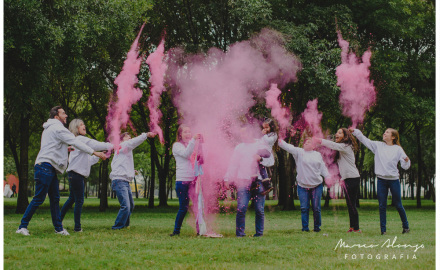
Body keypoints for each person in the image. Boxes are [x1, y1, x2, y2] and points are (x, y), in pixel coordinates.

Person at [16, 106, 107, 236]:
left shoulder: (49, 129)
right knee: (39, 198)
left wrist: (66, 149)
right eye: (63, 113)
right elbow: (75, 142)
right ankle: (22, 227)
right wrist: (95, 152)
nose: (66, 115)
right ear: (57, 116)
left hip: (49, 167)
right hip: (45, 166)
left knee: (55, 199)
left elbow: (53, 146)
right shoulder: (58, 128)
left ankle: (58, 229)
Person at [351, 128, 410, 235]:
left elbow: (405, 166)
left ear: (393, 137)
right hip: (381, 180)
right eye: (384, 131)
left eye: (387, 132)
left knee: (398, 205)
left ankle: (406, 227)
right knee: (382, 206)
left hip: (393, 180)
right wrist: (355, 131)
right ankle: (383, 231)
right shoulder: (378, 146)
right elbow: (365, 140)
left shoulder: (398, 149)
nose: (384, 133)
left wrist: (407, 161)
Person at [60, 119, 114, 232]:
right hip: (76, 175)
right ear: (76, 128)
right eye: (81, 125)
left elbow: (88, 161)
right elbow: (97, 145)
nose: (84, 126)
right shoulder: (81, 139)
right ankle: (77, 227)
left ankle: (58, 221)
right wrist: (113, 145)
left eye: (84, 124)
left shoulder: (78, 142)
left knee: (72, 199)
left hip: (73, 175)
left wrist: (100, 155)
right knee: (79, 201)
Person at [224, 127, 272, 237]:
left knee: (259, 209)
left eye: (244, 133)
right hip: (242, 181)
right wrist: (227, 178)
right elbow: (233, 164)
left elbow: (270, 160)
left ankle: (259, 234)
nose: (242, 136)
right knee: (241, 208)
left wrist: (260, 158)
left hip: (259, 181)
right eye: (241, 134)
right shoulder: (239, 147)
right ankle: (240, 234)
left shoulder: (260, 145)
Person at [314, 128, 361, 233]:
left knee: (352, 204)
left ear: (345, 136)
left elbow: (333, 145)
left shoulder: (346, 147)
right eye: (337, 132)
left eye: (339, 133)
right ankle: (352, 227)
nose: (336, 134)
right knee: (349, 204)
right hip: (347, 178)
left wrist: (320, 140)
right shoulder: (341, 149)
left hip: (353, 178)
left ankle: (356, 228)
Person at [279, 137, 329, 232]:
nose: (306, 143)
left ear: (313, 146)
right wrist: (277, 139)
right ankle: (305, 228)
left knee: (316, 208)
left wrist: (328, 176)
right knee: (304, 208)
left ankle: (317, 227)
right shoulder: (299, 152)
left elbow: (322, 168)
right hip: (302, 186)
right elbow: (288, 147)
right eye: (305, 142)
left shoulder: (317, 155)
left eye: (309, 142)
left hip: (316, 186)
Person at [110, 131, 156, 230]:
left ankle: (125, 224)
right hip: (119, 180)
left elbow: (122, 163)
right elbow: (134, 142)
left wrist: (131, 171)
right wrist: (145, 135)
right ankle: (117, 226)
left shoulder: (125, 150)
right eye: (127, 137)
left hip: (124, 181)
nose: (130, 138)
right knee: (126, 206)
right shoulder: (123, 145)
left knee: (130, 205)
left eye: (130, 137)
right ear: (122, 139)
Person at [170, 125, 201, 236]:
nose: (188, 134)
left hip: (193, 180)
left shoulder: (192, 145)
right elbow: (186, 154)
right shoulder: (177, 146)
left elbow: (199, 158)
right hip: (182, 181)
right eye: (185, 132)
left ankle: (200, 230)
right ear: (180, 135)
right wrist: (193, 140)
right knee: (183, 207)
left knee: (198, 206)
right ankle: (176, 231)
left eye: (189, 132)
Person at [257, 118, 278, 195]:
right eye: (264, 127)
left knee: (252, 155)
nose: (265, 129)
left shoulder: (273, 135)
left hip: (265, 151)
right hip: (261, 150)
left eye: (267, 127)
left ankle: (257, 182)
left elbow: (268, 141)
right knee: (260, 166)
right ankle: (267, 185)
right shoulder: (265, 135)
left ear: (271, 127)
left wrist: (264, 134)